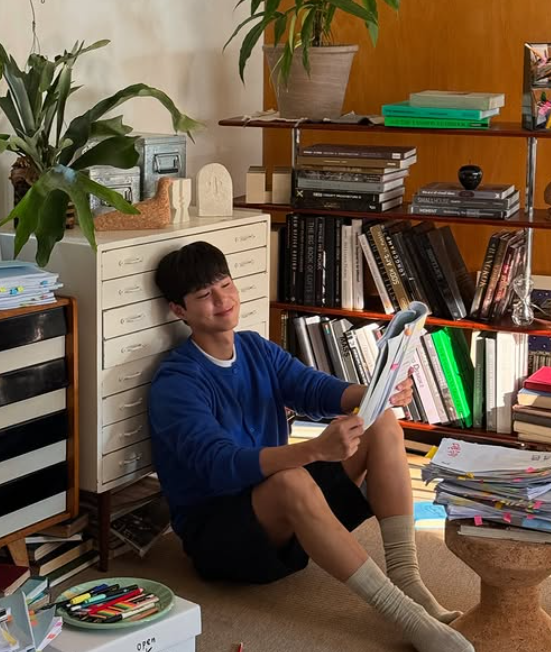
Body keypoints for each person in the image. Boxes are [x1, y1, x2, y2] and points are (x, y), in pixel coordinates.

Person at [149, 241, 473, 652]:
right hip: (221, 539)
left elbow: (312, 388)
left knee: (380, 422)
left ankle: (408, 580)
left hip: (283, 520)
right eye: (204, 295)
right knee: (292, 480)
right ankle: (406, 617)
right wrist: (315, 450)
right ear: (179, 310)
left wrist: (377, 393)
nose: (222, 300)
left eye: (226, 285)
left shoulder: (254, 348)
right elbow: (220, 464)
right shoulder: (177, 382)